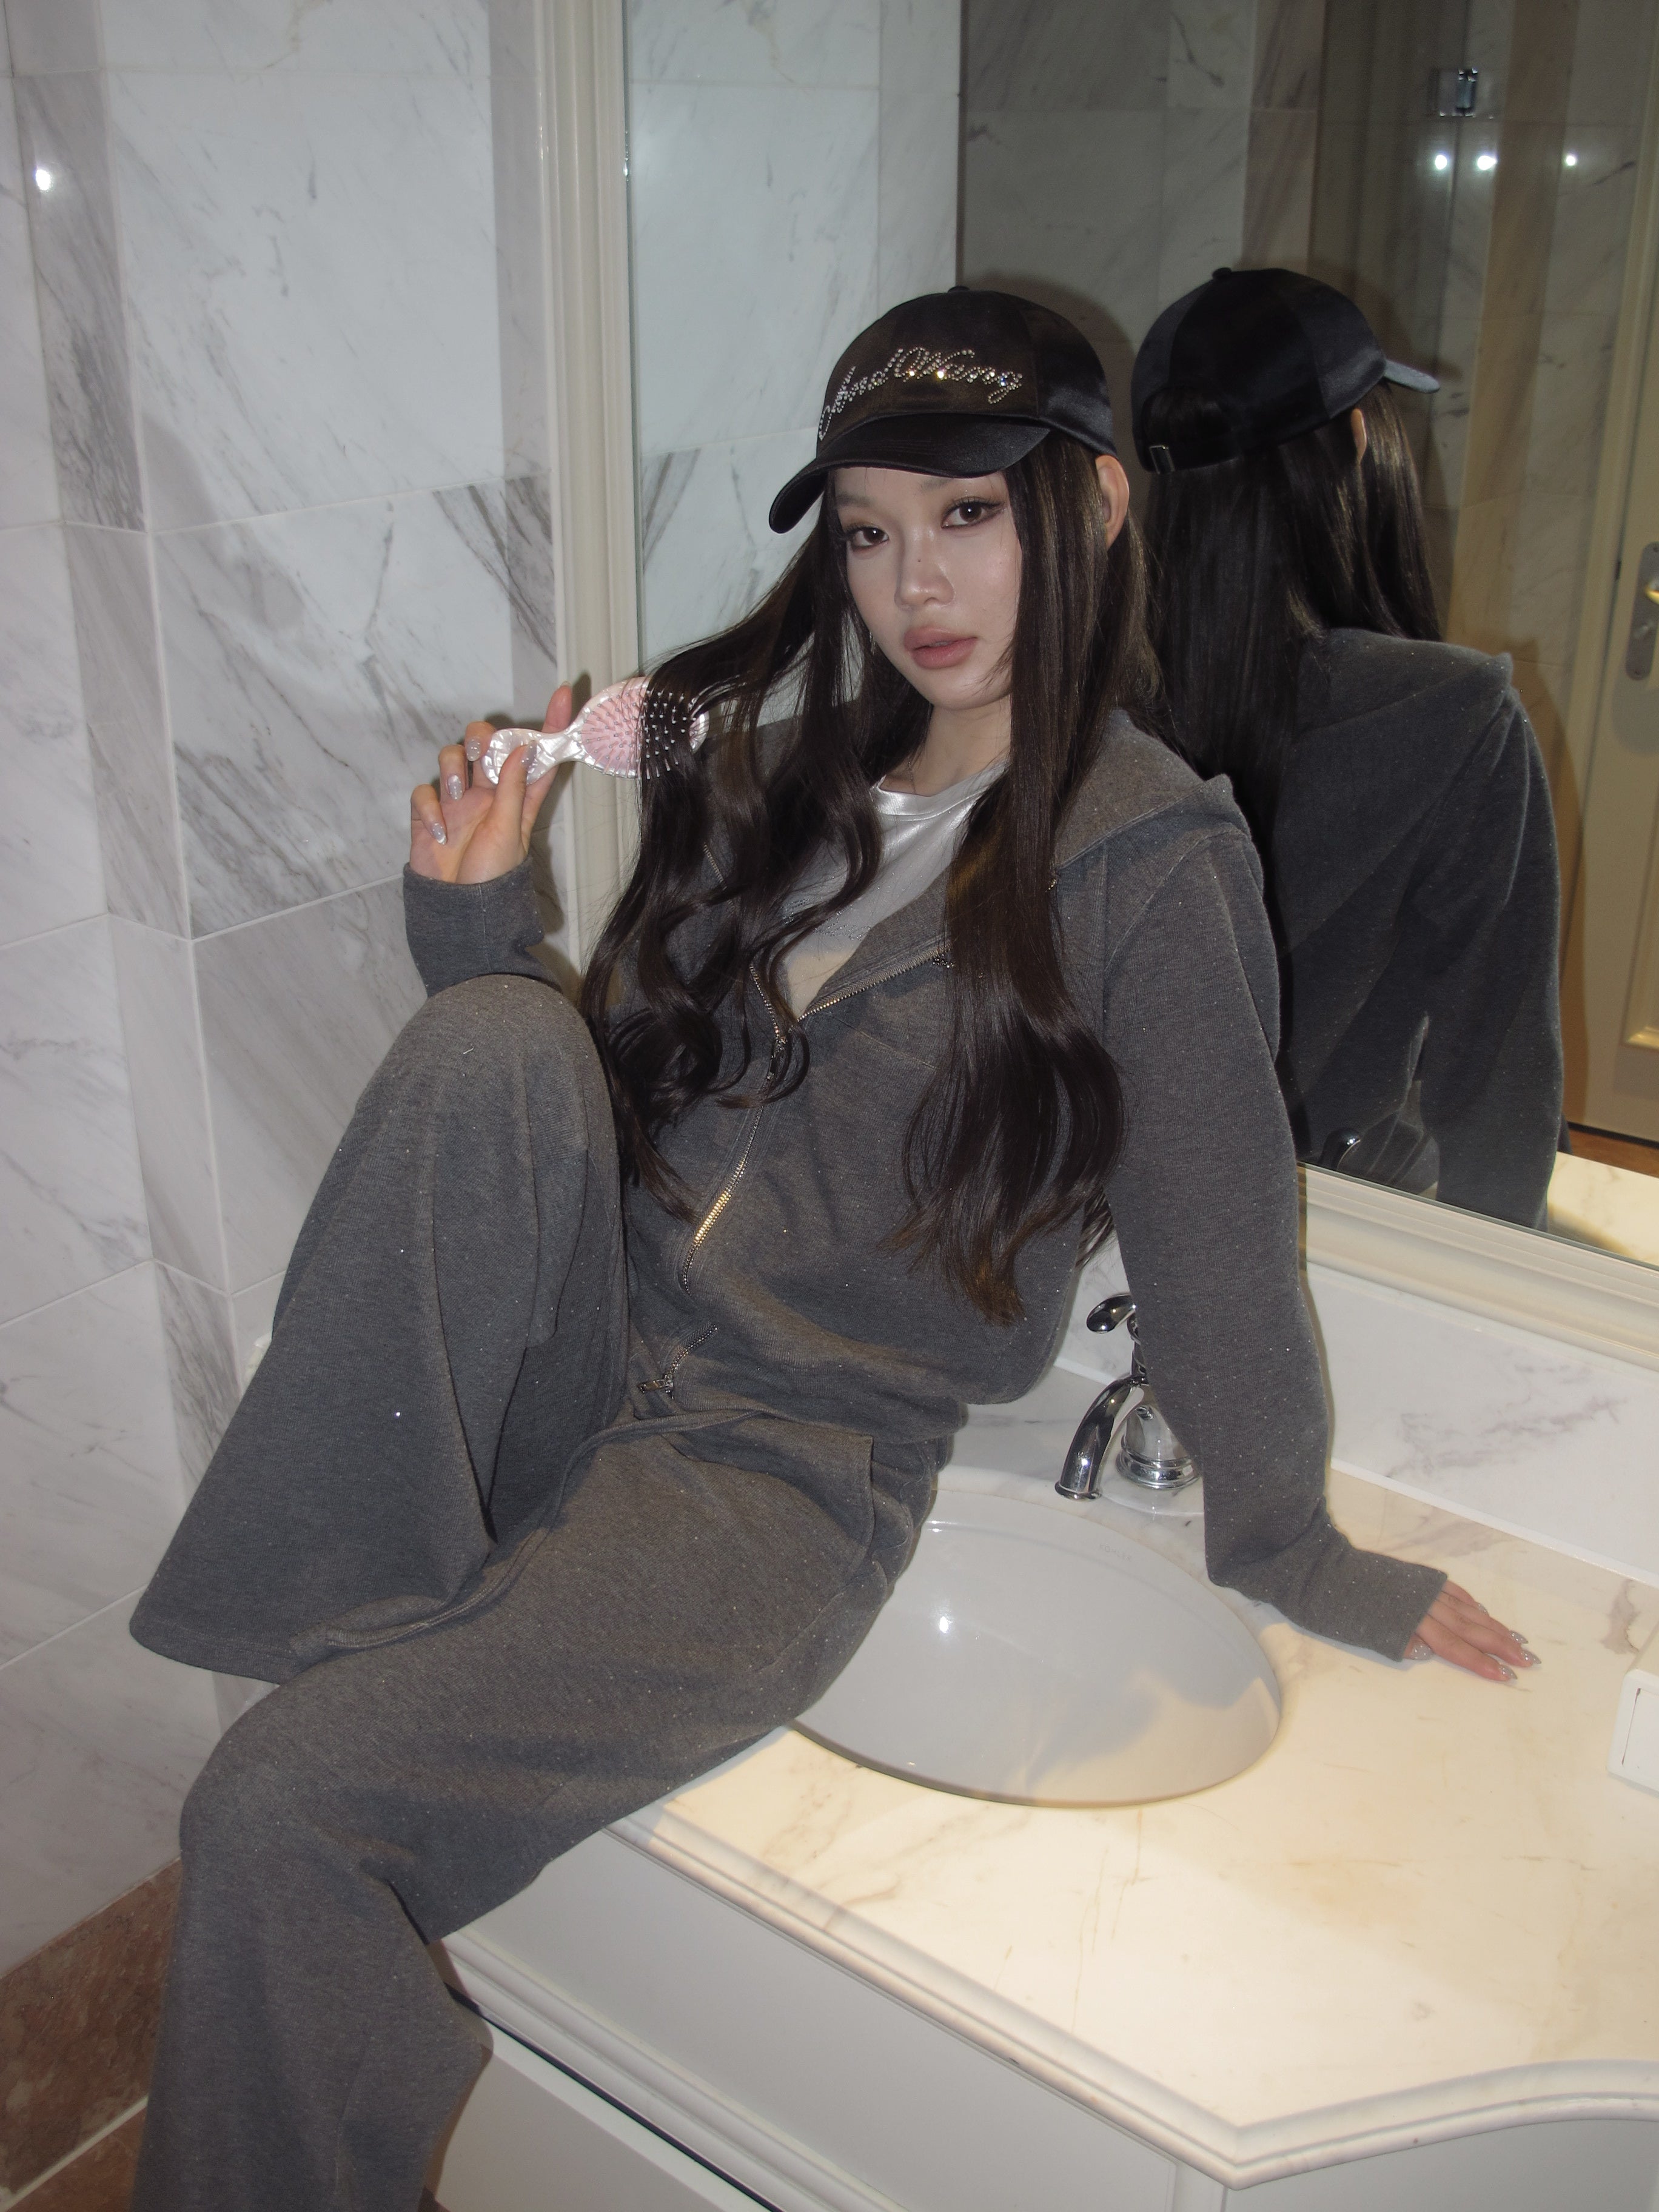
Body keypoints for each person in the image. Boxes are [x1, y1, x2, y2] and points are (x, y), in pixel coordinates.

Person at [127, 287, 1533, 2212]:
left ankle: (363, 1688)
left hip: (773, 1473)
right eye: (869, 532)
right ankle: (364, 1610)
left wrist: (1288, 1542)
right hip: (584, 1345)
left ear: (1098, 505)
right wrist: (473, 932)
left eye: (967, 517)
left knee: (272, 1807)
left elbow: (1220, 1241)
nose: (913, 584)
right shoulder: (781, 781)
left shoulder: (1151, 863)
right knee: (491, 1038)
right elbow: (608, 1105)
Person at [1133, 266, 1564, 1228]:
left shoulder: (1086, 697)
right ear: (1362, 440)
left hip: (1126, 1212)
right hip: (1349, 1218)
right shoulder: (1458, 720)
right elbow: (1499, 1078)